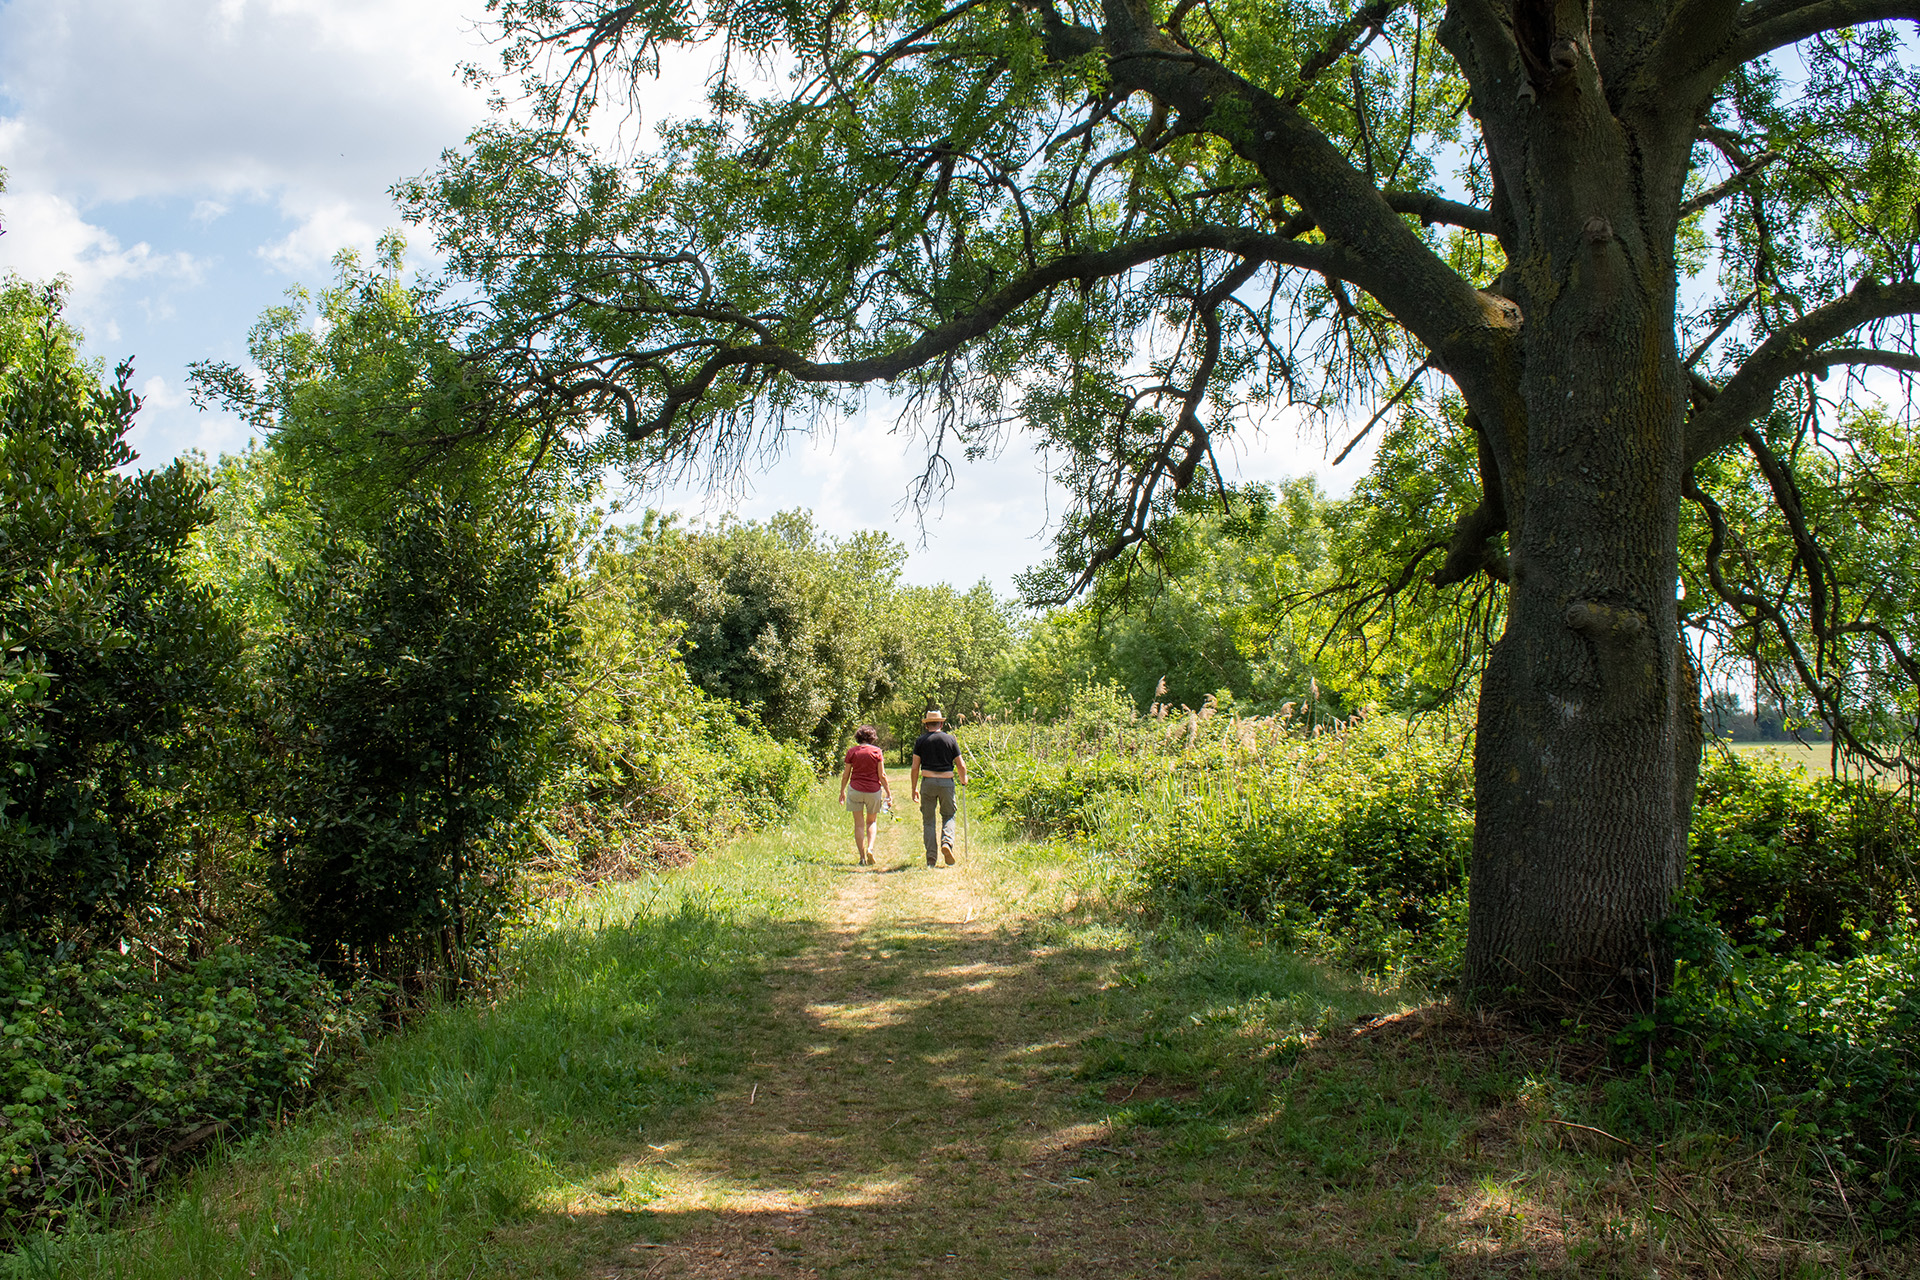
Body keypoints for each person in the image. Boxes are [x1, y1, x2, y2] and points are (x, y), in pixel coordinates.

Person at [909, 708, 967, 867]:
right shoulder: (951, 740)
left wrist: (914, 788)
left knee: (928, 821)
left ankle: (931, 858)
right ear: (941, 723)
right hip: (946, 782)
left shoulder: (920, 741)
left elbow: (915, 767)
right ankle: (947, 843)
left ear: (927, 725)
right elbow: (960, 765)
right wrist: (964, 779)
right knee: (948, 815)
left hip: (928, 782)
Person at [838, 725, 890, 865]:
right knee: (871, 821)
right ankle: (870, 848)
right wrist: (888, 792)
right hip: (873, 791)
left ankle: (862, 857)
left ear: (858, 737)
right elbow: (882, 775)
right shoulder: (876, 751)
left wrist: (842, 791)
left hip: (855, 790)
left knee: (859, 824)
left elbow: (846, 775)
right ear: (872, 737)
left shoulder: (852, 752)